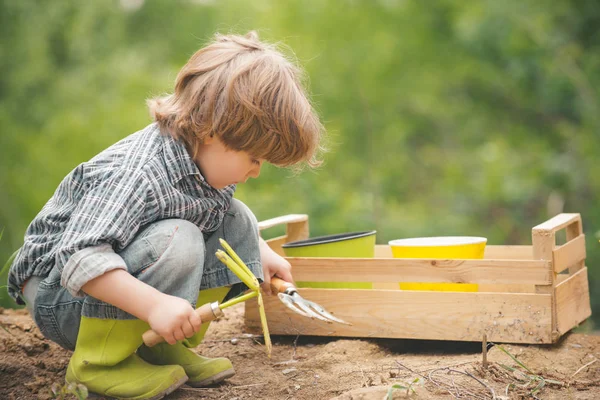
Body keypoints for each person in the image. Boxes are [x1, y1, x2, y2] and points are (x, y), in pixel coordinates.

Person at [7, 31, 324, 399]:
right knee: (179, 237)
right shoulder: (139, 172)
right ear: (211, 131)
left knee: (238, 219)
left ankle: (159, 348)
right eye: (253, 158)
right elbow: (79, 258)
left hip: (109, 287)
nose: (256, 170)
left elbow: (222, 217)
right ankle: (98, 365)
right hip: (60, 296)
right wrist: (155, 305)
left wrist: (258, 252)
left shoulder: (204, 163)